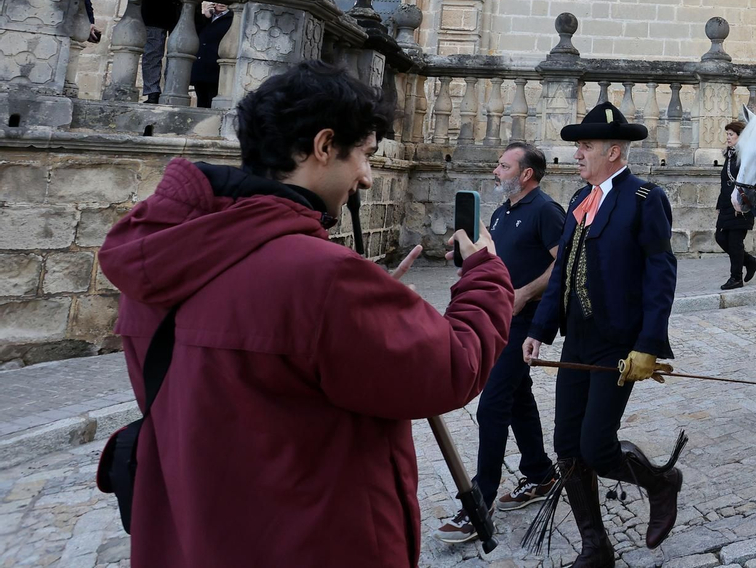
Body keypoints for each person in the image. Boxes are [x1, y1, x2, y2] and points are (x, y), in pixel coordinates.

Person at [97, 60, 513, 567]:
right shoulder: (321, 279)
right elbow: (453, 366)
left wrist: (367, 307)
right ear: (323, 146)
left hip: (195, 538)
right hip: (314, 541)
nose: (367, 177)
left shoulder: (164, 259)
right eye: (364, 155)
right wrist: (485, 273)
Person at [523, 102, 681, 565]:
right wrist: (539, 329)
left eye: (586, 146)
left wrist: (648, 345)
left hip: (618, 343)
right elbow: (561, 275)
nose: (577, 154)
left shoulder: (645, 199)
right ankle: (596, 548)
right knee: (568, 449)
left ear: (613, 152)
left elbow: (661, 273)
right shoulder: (579, 201)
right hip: (578, 341)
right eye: (578, 146)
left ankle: (660, 482)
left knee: (596, 446)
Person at [437, 142, 566, 544]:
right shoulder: (501, 212)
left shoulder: (545, 210)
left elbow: (563, 262)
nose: (495, 171)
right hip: (498, 319)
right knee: (517, 397)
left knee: (492, 404)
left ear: (526, 174)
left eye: (504, 166)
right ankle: (541, 474)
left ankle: (480, 500)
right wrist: (470, 258)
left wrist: (524, 293)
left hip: (523, 321)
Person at [714, 119, 756, 290]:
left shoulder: (746, 157)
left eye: (731, 134)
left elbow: (750, 183)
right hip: (727, 206)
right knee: (720, 238)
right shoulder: (729, 156)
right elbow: (725, 184)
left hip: (740, 207)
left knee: (735, 242)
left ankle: (736, 278)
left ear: (740, 136)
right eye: (727, 134)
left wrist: (741, 205)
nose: (728, 137)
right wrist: (719, 206)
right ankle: (750, 262)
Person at [189, 3, 233, 108]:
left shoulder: (232, 18)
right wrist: (205, 17)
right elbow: (194, 33)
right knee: (201, 102)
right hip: (200, 67)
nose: (221, 4)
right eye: (219, 1)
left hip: (216, 68)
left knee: (212, 102)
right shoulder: (207, 18)